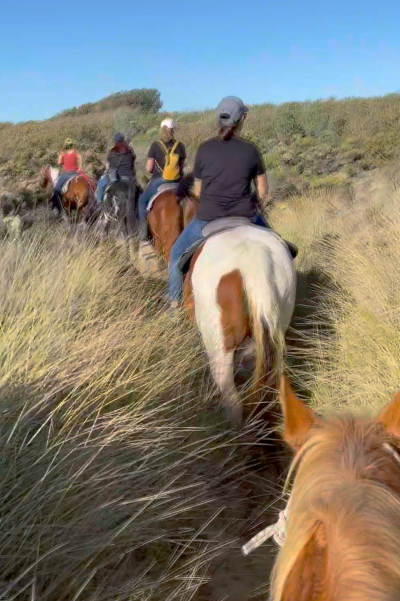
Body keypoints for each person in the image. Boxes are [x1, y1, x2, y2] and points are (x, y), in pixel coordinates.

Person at [168, 96, 270, 308]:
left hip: (208, 219)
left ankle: (174, 304)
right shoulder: (251, 150)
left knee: (175, 256)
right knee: (283, 249)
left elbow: (198, 191)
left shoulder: (204, 149)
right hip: (246, 216)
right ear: (241, 120)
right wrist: (256, 203)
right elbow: (262, 190)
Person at [137, 118, 186, 240]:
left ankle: (143, 236)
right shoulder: (180, 145)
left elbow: (149, 168)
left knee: (142, 201)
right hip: (177, 182)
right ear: (173, 130)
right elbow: (181, 167)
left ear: (161, 129)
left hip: (159, 181)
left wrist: (155, 172)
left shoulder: (155, 145)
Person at [96, 133, 136, 204]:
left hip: (115, 178)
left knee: (101, 184)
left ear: (115, 141)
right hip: (129, 178)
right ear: (123, 140)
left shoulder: (112, 151)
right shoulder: (130, 151)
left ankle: (99, 205)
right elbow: (133, 163)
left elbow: (108, 166)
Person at [50, 138, 82, 213]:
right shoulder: (76, 153)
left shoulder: (63, 154)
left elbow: (59, 163)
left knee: (56, 189)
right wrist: (79, 170)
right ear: (72, 145)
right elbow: (80, 162)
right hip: (76, 173)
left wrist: (61, 156)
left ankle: (57, 208)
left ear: (66, 146)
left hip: (66, 174)